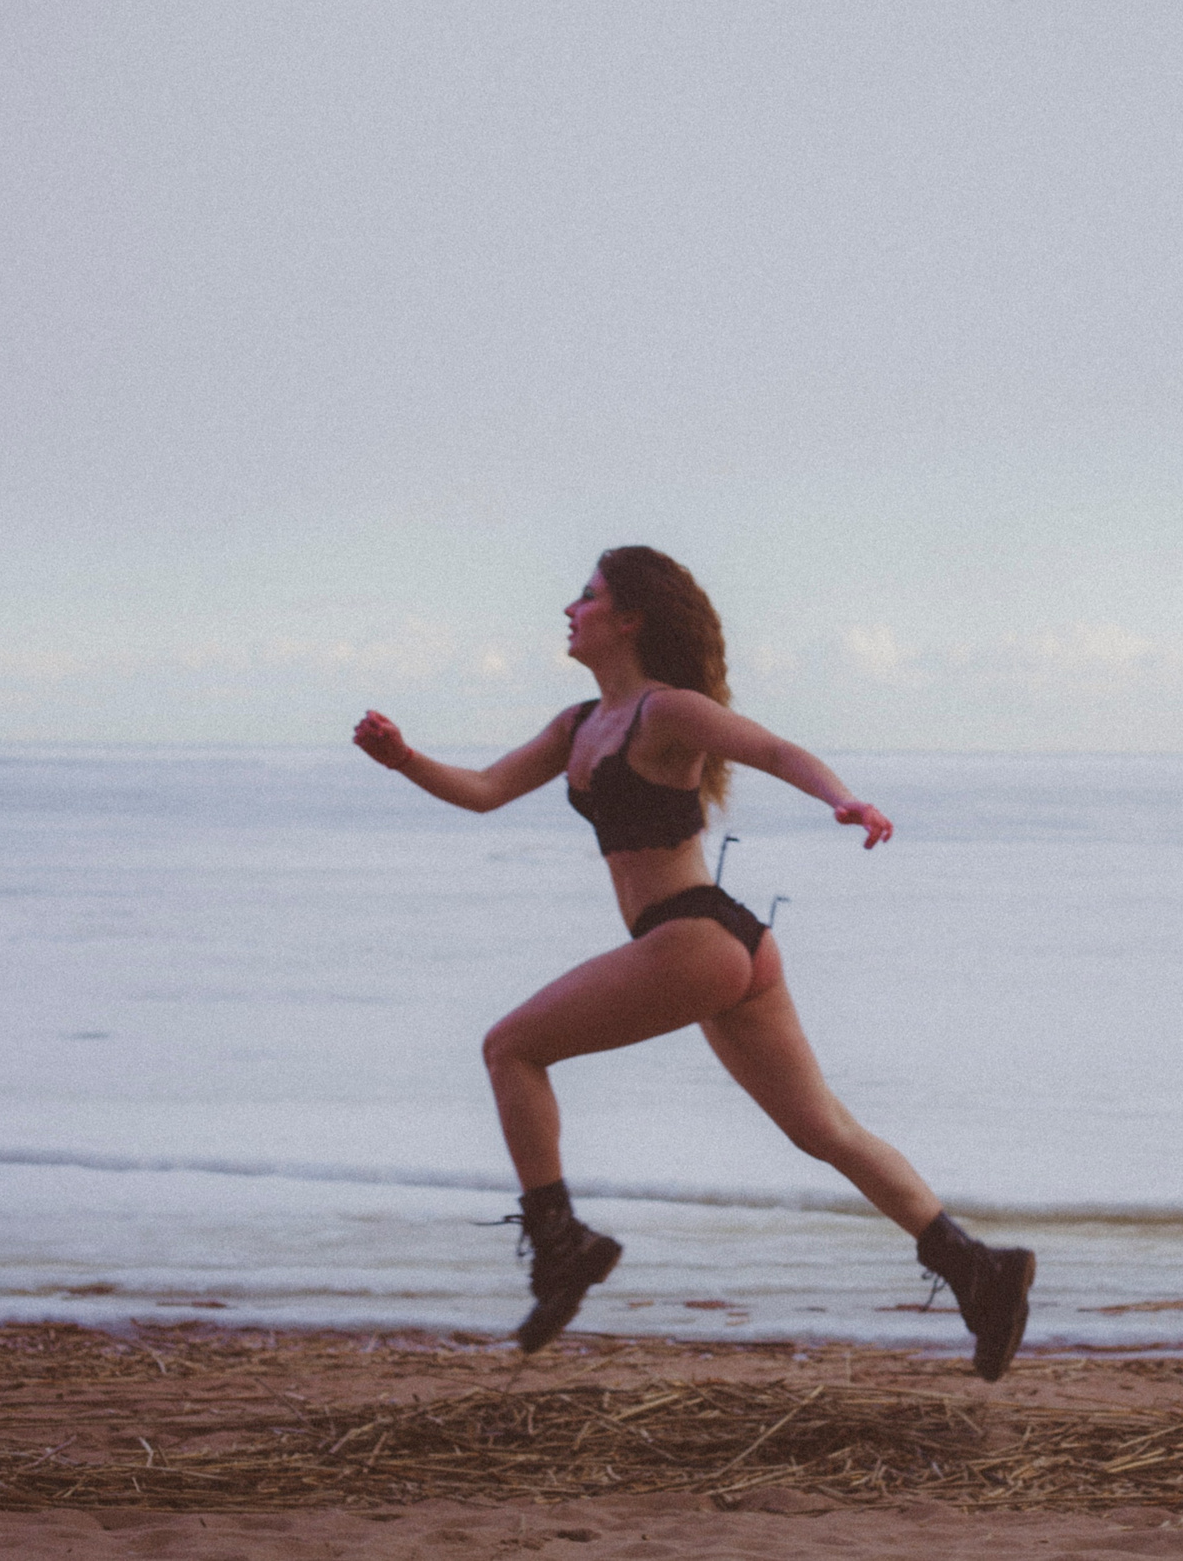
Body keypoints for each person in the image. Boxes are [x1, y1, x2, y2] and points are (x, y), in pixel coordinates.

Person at [351, 546, 1034, 1376]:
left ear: (629, 618)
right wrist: (405, 759)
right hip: (729, 942)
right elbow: (486, 788)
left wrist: (841, 798)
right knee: (824, 1129)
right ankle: (979, 1270)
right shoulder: (577, 725)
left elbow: (774, 750)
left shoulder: (666, 713)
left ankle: (561, 1240)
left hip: (693, 937)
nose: (571, 608)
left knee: (510, 1047)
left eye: (588, 595)